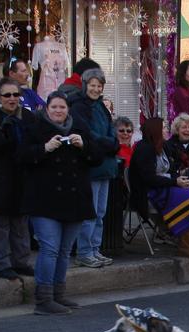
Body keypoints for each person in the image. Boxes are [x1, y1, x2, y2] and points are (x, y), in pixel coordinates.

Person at [19, 91, 101, 315]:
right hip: (44, 201)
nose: (58, 111)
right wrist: (44, 149)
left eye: (62, 107)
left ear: (68, 110)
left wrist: (83, 145)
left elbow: (97, 157)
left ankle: (59, 294)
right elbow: (23, 156)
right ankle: (43, 299)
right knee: (50, 248)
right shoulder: (35, 128)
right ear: (47, 109)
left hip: (74, 200)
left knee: (65, 251)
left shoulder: (80, 128)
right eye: (54, 107)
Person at [129, 117, 189, 260]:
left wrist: (180, 178)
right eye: (163, 127)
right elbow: (148, 178)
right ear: (155, 130)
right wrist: (175, 181)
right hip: (151, 191)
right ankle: (185, 244)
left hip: (166, 186)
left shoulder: (163, 147)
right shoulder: (144, 148)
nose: (166, 130)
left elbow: (171, 170)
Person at [0, 79, 33, 280]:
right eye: (7, 95)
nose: (12, 99)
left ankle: (22, 262)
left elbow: (34, 144)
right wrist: (2, 131)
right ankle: (3, 264)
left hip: (21, 179)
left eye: (15, 95)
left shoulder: (27, 116)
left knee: (20, 226)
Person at [70, 68, 119, 268]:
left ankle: (95, 249)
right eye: (92, 85)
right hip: (91, 164)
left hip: (105, 166)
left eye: (99, 86)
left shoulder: (101, 107)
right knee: (89, 213)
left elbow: (111, 132)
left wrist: (109, 142)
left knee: (100, 212)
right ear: (85, 85)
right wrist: (108, 143)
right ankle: (84, 251)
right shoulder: (78, 106)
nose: (96, 89)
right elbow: (87, 133)